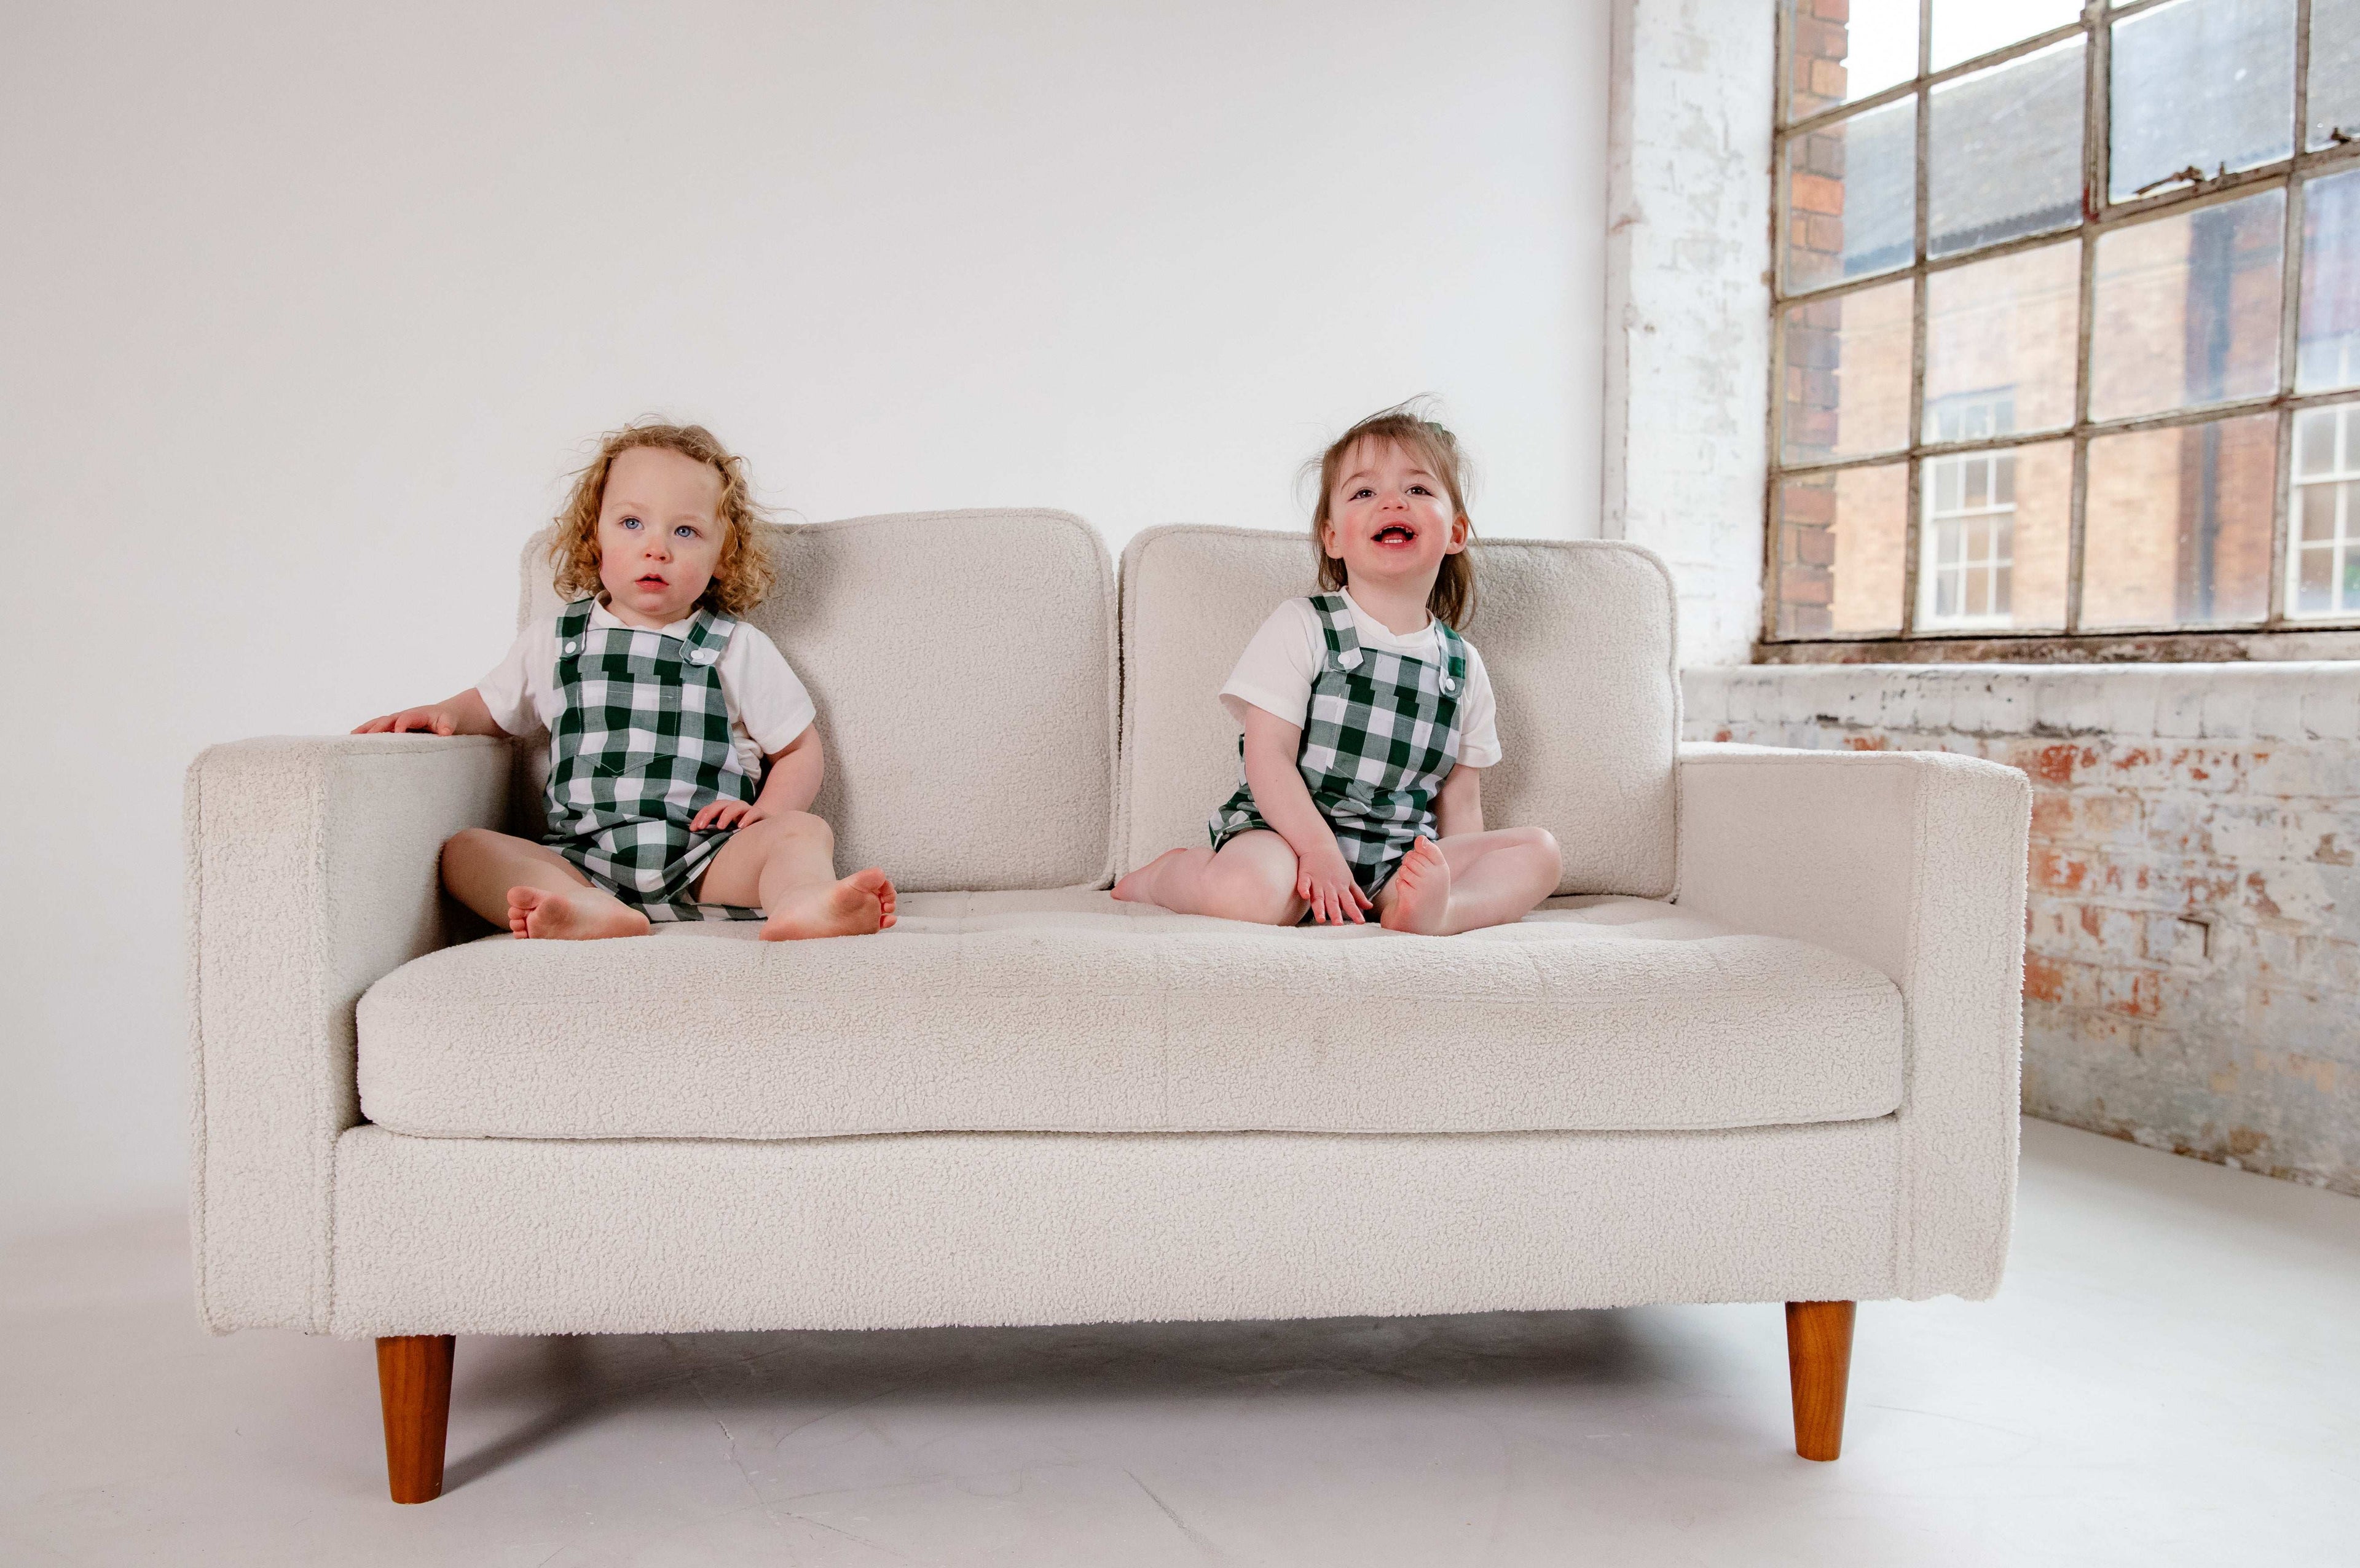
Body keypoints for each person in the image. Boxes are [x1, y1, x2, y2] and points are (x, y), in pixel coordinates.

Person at [354, 421, 895, 941]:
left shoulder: (735, 646)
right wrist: (447, 713)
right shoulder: (557, 639)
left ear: (723, 556)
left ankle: (804, 901)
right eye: (632, 523)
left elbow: (800, 751)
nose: (656, 547)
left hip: (709, 859)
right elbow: (493, 709)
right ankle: (587, 911)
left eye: (685, 531)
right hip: (582, 860)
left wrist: (771, 812)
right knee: (465, 851)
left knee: (804, 833)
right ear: (595, 537)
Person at [1114, 402, 1560, 934]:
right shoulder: (1305, 626)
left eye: (1418, 490)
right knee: (1257, 895)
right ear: (1333, 537)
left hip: (1399, 857)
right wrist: (1318, 851)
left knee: (1540, 852)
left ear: (1457, 531)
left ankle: (1436, 912)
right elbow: (1268, 756)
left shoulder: (1462, 666)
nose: (1393, 500)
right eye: (1364, 492)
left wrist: (1445, 870)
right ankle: (1168, 875)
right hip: (1287, 838)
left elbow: (1460, 805)